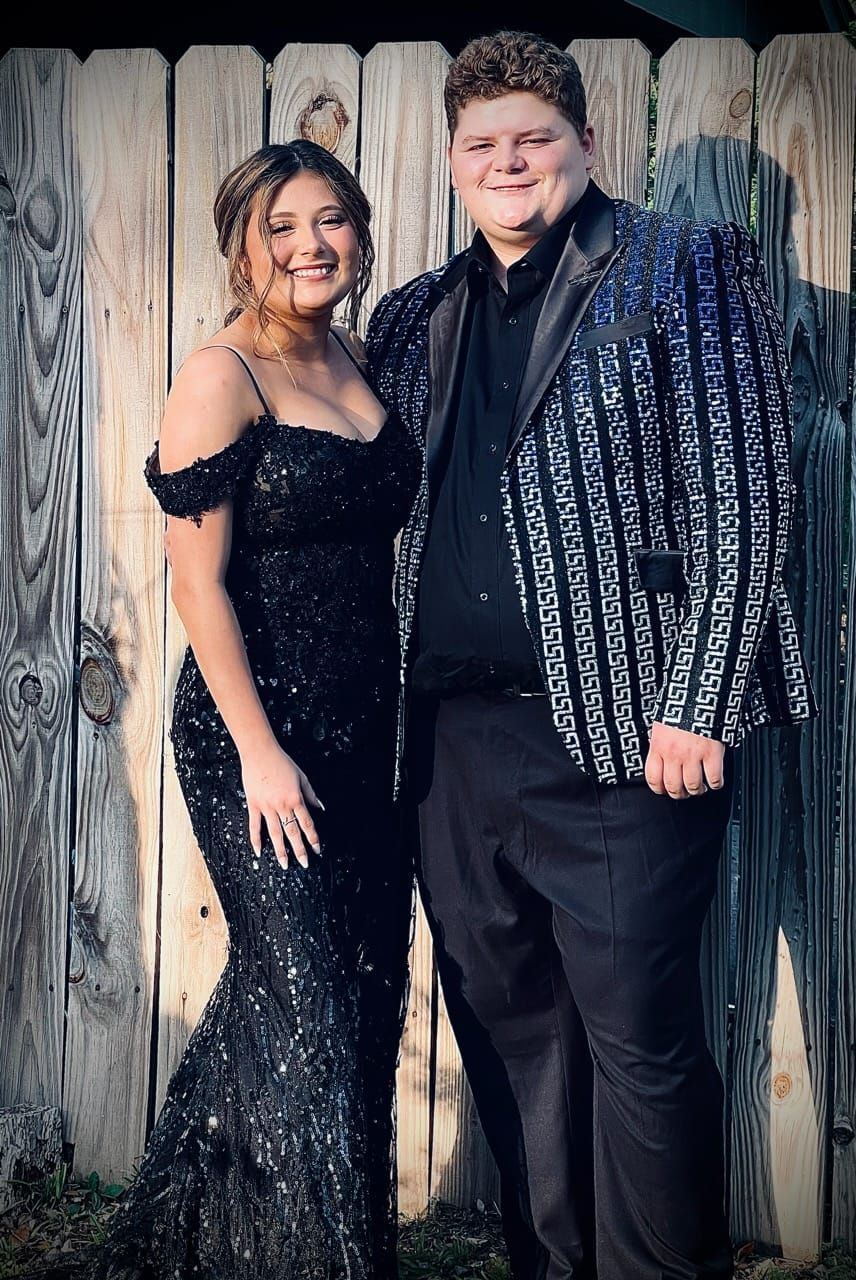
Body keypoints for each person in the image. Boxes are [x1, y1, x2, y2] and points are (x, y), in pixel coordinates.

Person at [365, 30, 817, 1280]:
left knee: (636, 1036)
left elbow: (747, 497)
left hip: (626, 736)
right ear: (454, 164)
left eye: (533, 139)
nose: (509, 163)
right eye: (483, 146)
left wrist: (699, 697)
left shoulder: (682, 265)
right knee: (508, 1029)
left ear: (584, 143)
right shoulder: (412, 314)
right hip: (449, 746)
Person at [86, 141, 420, 1280]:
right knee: (311, 1009)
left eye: (330, 220)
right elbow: (195, 583)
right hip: (255, 736)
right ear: (242, 241)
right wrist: (262, 751)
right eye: (281, 226)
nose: (309, 245)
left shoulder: (361, 358)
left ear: (359, 232)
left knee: (352, 996)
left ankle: (191, 1250)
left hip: (365, 732)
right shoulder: (219, 374)